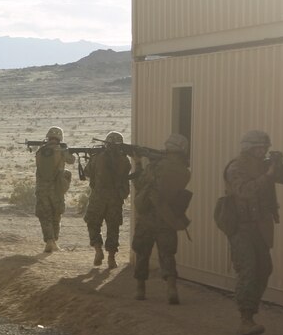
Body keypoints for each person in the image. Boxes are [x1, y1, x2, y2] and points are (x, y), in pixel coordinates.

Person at [224, 129, 283, 335]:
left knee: (264, 268)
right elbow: (244, 191)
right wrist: (268, 175)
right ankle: (245, 319)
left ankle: (250, 311)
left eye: (266, 147)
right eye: (260, 147)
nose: (263, 150)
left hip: (260, 227)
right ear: (248, 147)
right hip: (241, 227)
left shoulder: (266, 166)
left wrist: (282, 164)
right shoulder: (236, 167)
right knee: (248, 269)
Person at [131, 134, 192, 304]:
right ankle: (171, 289)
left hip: (148, 216)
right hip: (168, 217)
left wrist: (137, 163)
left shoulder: (154, 167)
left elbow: (139, 184)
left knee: (142, 252)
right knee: (167, 254)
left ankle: (140, 289)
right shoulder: (185, 172)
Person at [83, 131, 132, 268]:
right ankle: (112, 258)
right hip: (115, 199)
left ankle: (98, 249)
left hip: (98, 197)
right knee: (113, 227)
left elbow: (87, 173)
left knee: (93, 223)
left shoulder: (98, 157)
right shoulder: (125, 160)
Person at [34, 126, 75, 252]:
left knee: (45, 215)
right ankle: (54, 241)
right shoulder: (61, 150)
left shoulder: (40, 151)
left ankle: (49, 241)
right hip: (56, 189)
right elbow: (71, 160)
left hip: (42, 189)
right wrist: (66, 150)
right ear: (60, 137)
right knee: (56, 214)